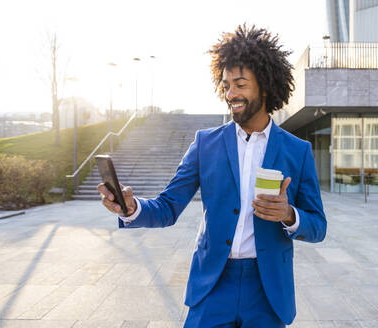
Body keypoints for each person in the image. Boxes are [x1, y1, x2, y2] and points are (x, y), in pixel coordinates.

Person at [98, 24, 327, 328]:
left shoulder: (297, 151)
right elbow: (168, 206)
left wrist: (289, 215)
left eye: (241, 84)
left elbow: (318, 226)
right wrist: (131, 208)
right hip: (213, 284)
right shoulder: (206, 143)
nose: (231, 93)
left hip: (268, 291)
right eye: (227, 84)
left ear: (266, 86)